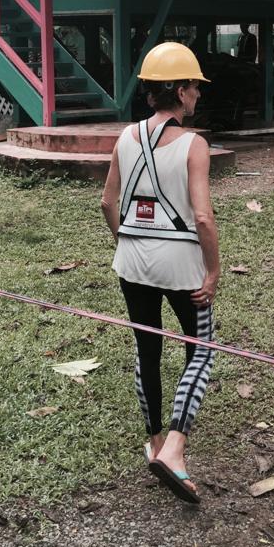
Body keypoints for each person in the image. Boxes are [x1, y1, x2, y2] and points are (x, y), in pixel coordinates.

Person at [101, 42, 220, 504]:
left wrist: (126, 242)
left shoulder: (125, 137)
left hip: (131, 261)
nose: (198, 96)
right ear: (180, 90)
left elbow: (108, 203)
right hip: (181, 263)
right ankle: (174, 447)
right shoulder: (194, 144)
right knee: (202, 350)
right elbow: (203, 218)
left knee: (147, 348)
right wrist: (212, 271)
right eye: (195, 87)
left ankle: (153, 444)